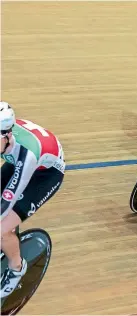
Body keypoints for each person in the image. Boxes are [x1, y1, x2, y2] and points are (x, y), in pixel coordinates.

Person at [1, 102, 65, 298]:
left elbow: (7, 202)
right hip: (17, 160)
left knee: (1, 228)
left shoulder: (26, 155)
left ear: (6, 135)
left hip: (45, 175)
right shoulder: (6, 138)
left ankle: (16, 268)